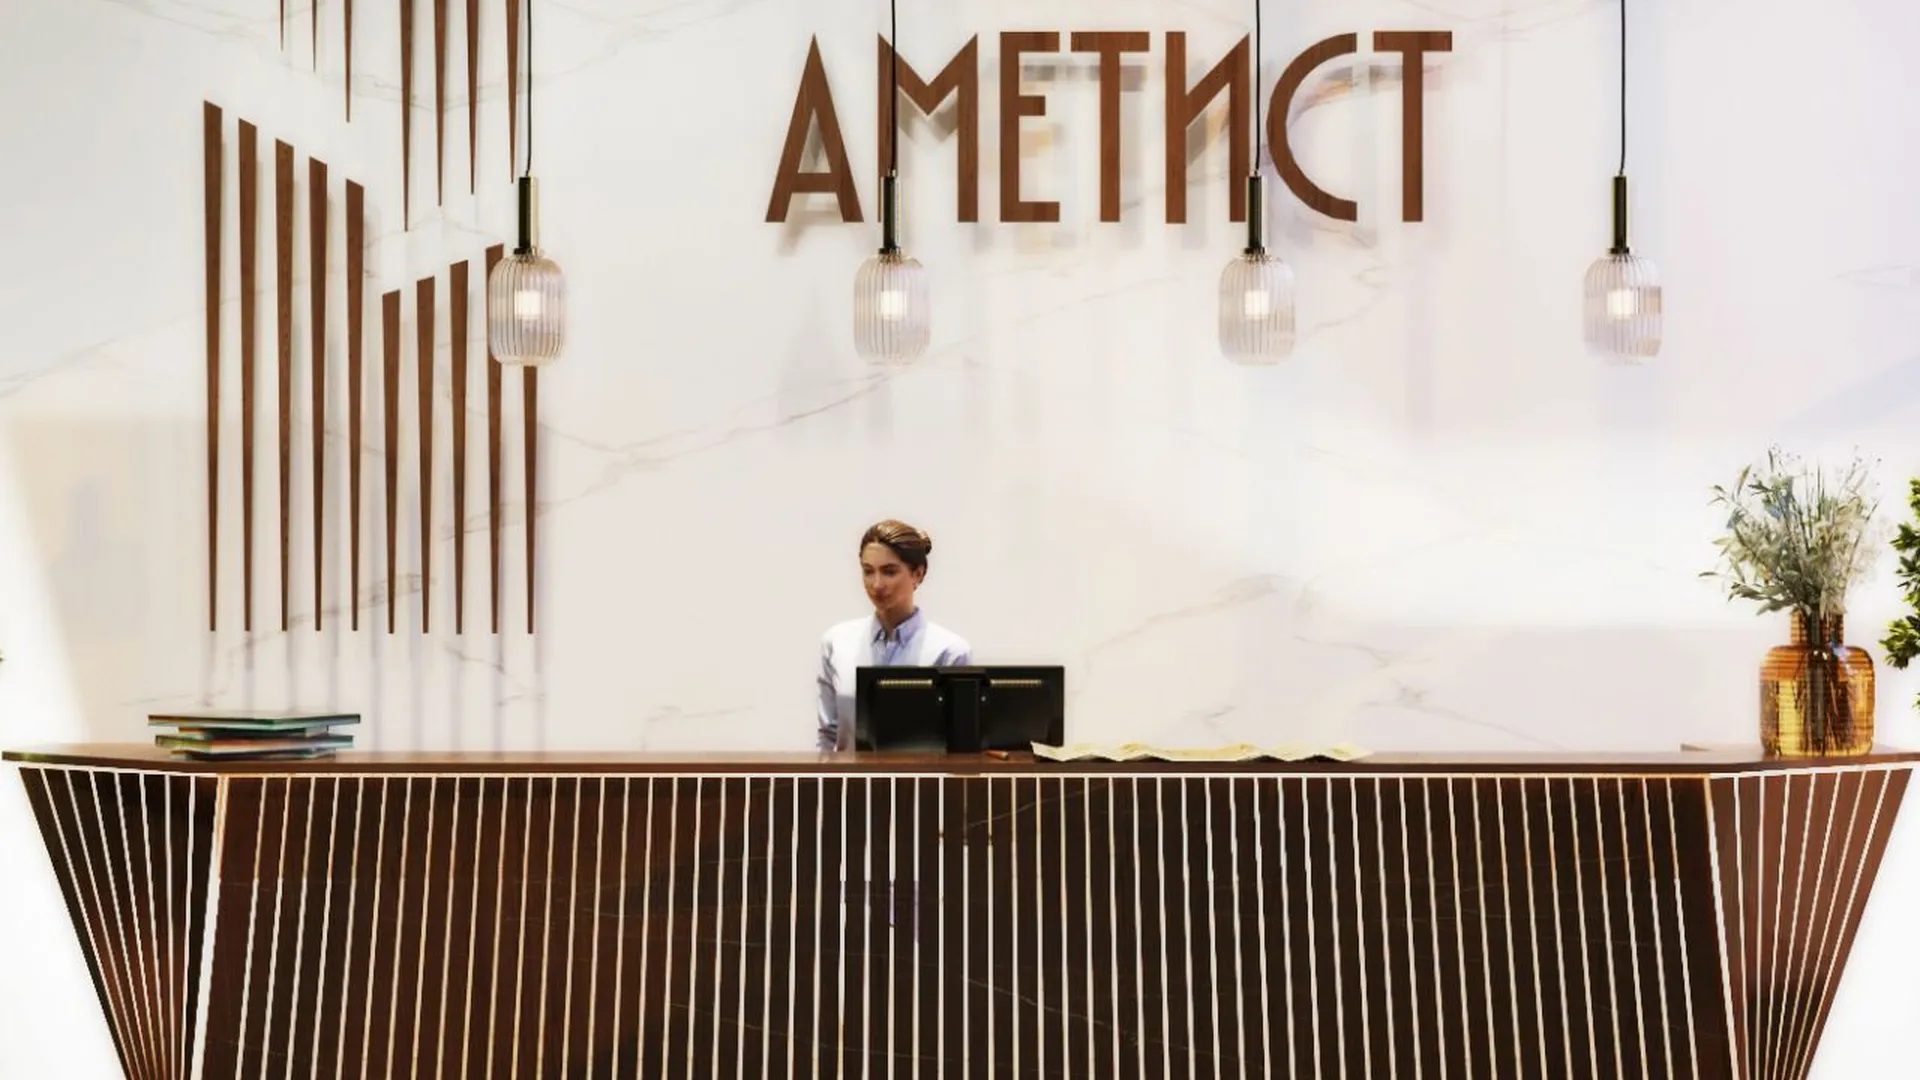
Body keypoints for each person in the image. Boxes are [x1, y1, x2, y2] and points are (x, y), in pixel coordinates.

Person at [816, 519, 971, 751]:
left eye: (889, 572)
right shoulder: (837, 642)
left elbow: (958, 745)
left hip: (921, 775)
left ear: (918, 574)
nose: (877, 584)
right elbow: (829, 736)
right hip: (850, 774)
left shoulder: (948, 651)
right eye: (868, 571)